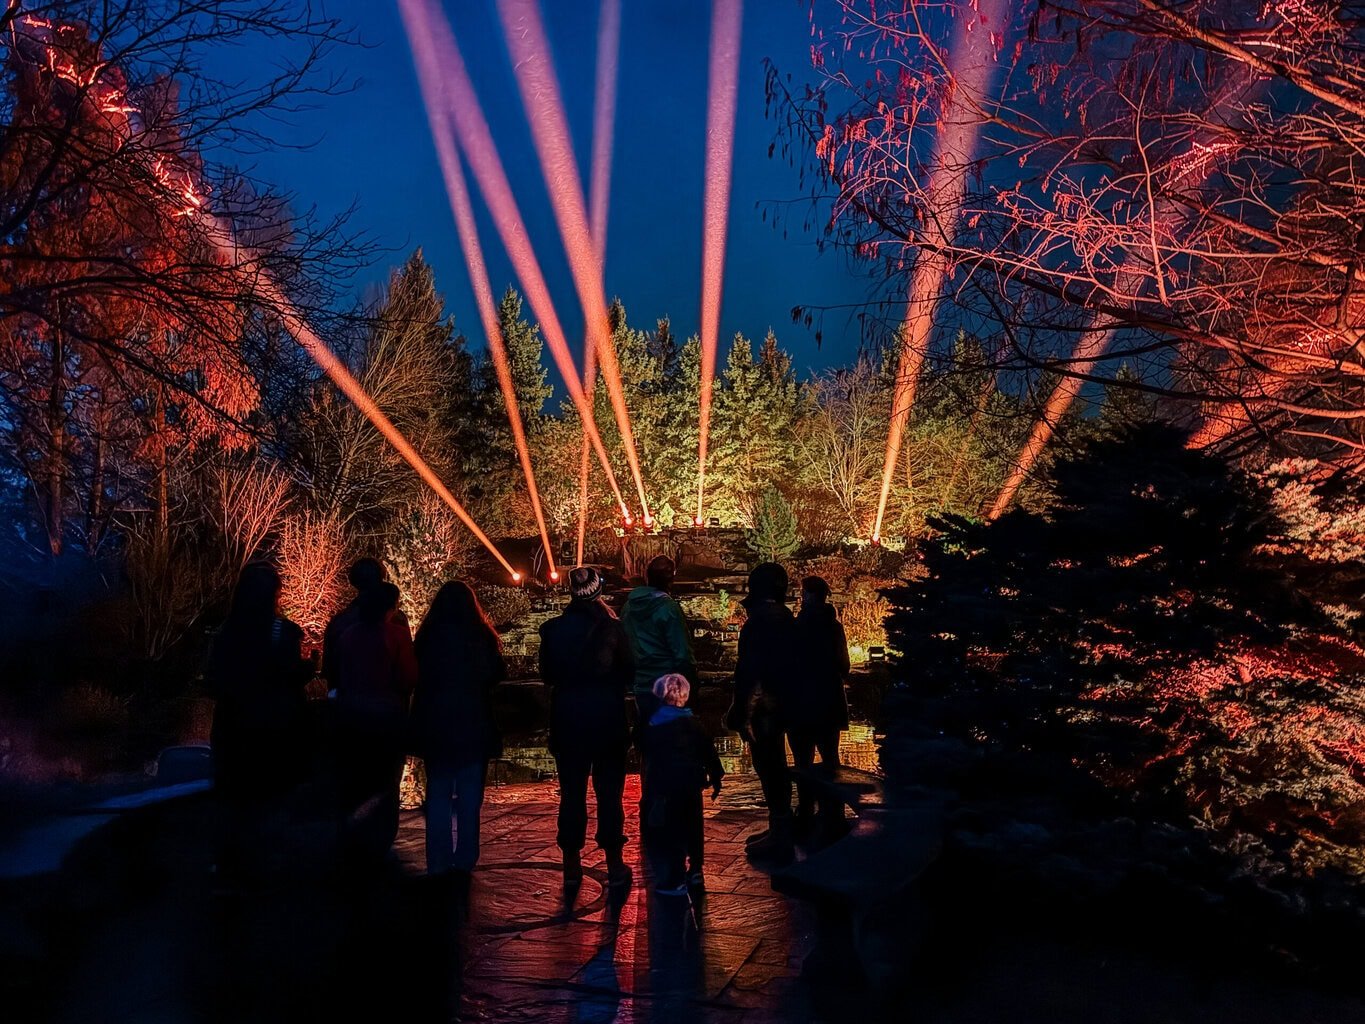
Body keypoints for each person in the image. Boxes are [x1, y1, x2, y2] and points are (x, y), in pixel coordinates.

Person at [204, 563, 313, 881]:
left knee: (234, 802)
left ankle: (231, 870)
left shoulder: (226, 632)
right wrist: (306, 670)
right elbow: (291, 676)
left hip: (234, 728)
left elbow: (214, 681)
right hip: (274, 729)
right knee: (271, 802)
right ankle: (267, 871)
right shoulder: (284, 632)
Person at [538, 567, 635, 889]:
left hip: (568, 718)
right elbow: (629, 671)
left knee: (572, 793)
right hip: (606, 718)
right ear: (598, 591)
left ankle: (571, 863)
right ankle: (614, 862)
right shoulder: (612, 629)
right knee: (610, 793)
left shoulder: (552, 630)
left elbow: (548, 675)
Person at [411, 581, 506, 878]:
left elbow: (416, 675)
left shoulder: (428, 638)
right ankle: (465, 856)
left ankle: (437, 860)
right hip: (471, 720)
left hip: (436, 722)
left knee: (438, 791)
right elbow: (495, 674)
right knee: (469, 794)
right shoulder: (480, 637)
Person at [333, 580, 418, 866]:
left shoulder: (347, 635)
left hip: (352, 717)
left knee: (357, 777)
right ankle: (381, 838)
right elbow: (407, 677)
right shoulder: (395, 635)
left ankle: (354, 836)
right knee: (386, 780)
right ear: (390, 607)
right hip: (386, 717)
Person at [725, 561, 800, 862]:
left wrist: (742, 711)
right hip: (783, 702)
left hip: (764, 708)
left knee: (769, 766)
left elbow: (749, 672)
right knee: (775, 765)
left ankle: (780, 832)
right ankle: (779, 827)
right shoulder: (786, 620)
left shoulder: (757, 625)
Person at [639, 673, 723, 896]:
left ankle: (673, 872)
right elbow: (709, 752)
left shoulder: (652, 725)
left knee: (669, 827)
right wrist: (716, 775)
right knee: (693, 825)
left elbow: (643, 749)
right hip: (690, 783)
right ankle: (696, 868)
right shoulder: (694, 723)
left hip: (663, 785)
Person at [789, 576, 851, 839]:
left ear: (810, 595)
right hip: (828, 700)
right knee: (830, 758)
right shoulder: (834, 627)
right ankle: (834, 812)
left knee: (803, 760)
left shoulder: (798, 626)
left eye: (803, 592)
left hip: (802, 701)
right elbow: (844, 665)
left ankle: (805, 811)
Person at [621, 555, 697, 726]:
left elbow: (625, 644)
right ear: (671, 580)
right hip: (667, 685)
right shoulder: (668, 608)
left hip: (640, 683)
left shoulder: (628, 607)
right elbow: (681, 651)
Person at [321, 557, 404, 693]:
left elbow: (330, 669)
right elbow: (405, 669)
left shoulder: (339, 621)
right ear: (381, 578)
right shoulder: (395, 619)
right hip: (386, 701)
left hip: (348, 699)